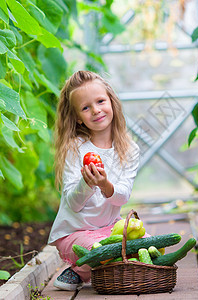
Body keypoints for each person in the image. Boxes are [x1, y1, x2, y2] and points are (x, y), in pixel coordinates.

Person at [48, 70, 140, 291]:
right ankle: (78, 271)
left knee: (145, 240)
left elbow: (123, 196)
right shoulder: (75, 149)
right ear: (78, 117)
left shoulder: (129, 150)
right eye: (86, 107)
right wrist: (87, 183)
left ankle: (99, 270)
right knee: (102, 249)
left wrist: (106, 186)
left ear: (112, 102)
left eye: (100, 101)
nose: (96, 110)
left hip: (108, 229)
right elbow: (73, 204)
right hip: (75, 234)